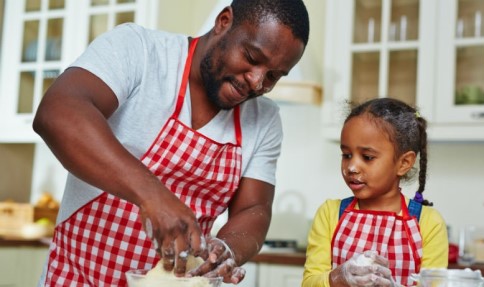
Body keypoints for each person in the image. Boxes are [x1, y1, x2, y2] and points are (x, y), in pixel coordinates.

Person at [33, 0, 309, 285]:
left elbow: (253, 210)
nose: (256, 82)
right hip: (75, 277)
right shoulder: (139, 50)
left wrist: (226, 249)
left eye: (273, 76)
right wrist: (153, 196)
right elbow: (57, 113)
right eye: (251, 57)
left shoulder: (264, 120)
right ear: (224, 21)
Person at [302, 98, 449, 287]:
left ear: (404, 163)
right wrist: (339, 277)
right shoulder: (330, 214)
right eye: (346, 155)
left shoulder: (428, 223)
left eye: (367, 157)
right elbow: (309, 282)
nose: (352, 167)